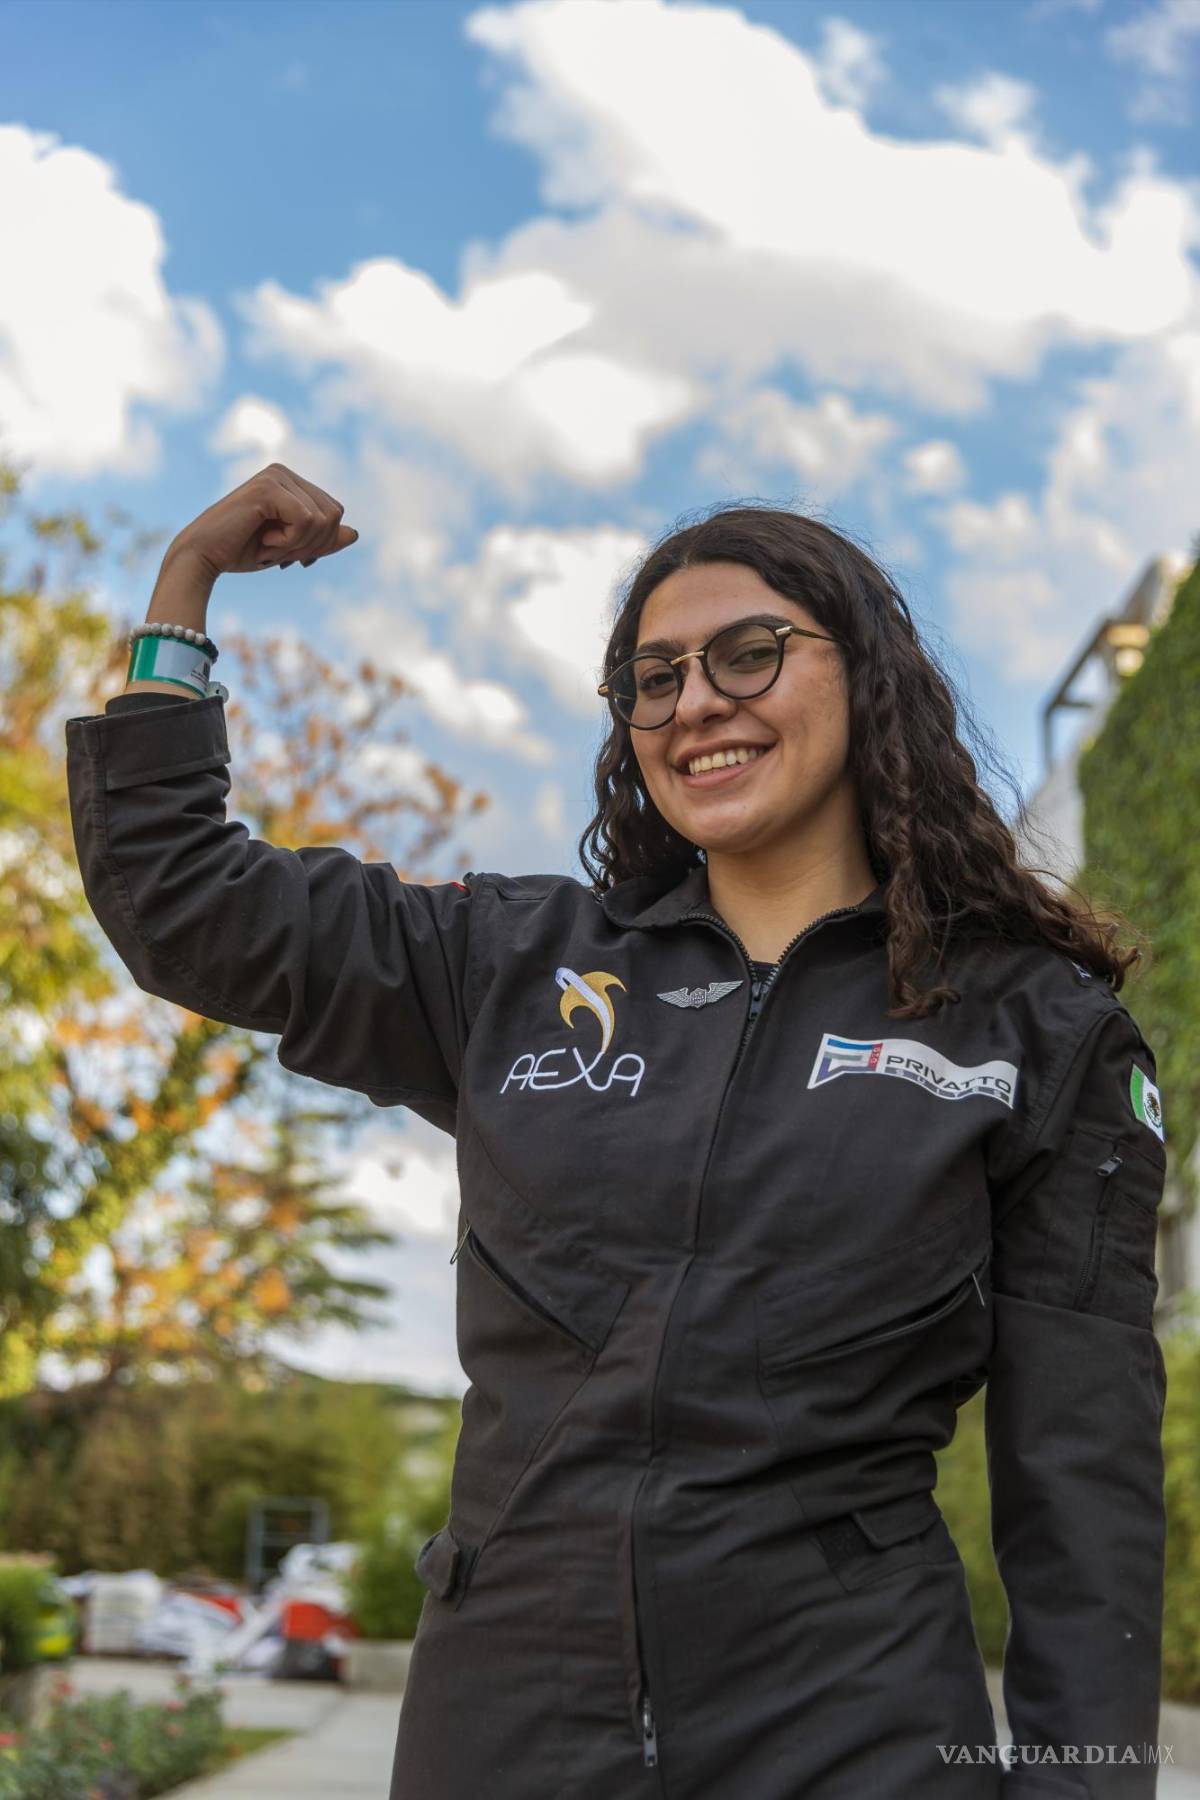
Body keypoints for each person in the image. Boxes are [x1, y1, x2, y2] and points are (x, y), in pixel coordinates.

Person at [65, 466, 1169, 1799]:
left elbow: (1083, 1488)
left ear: (866, 677)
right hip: (511, 1721)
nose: (696, 699)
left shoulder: (1031, 1033)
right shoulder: (511, 964)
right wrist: (184, 588)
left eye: (749, 654)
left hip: (855, 1732)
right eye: (653, 679)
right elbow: (181, 899)